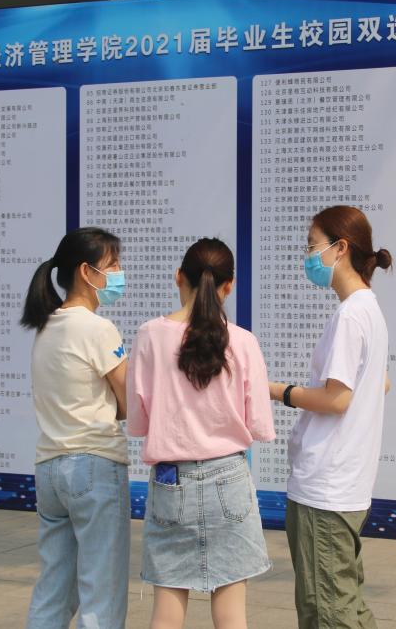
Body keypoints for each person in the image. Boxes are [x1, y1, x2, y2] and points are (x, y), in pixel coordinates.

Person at [127, 238, 275, 629]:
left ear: (179, 277)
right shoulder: (243, 341)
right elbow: (259, 424)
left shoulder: (149, 335)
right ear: (229, 286)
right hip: (229, 477)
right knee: (231, 615)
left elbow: (138, 422)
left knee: (166, 612)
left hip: (170, 480)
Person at [268, 205, 392, 629]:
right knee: (346, 603)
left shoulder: (350, 315)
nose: (308, 256)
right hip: (346, 482)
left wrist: (275, 390)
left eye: (312, 246)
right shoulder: (368, 309)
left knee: (326, 611)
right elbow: (381, 383)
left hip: (326, 485)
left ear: (340, 248)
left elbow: (337, 399)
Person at [21, 227, 130, 629]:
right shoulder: (98, 329)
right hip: (94, 465)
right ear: (87, 271)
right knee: (102, 590)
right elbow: (130, 401)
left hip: (50, 467)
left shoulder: (46, 327)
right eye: (112, 265)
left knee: (54, 587)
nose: (118, 273)